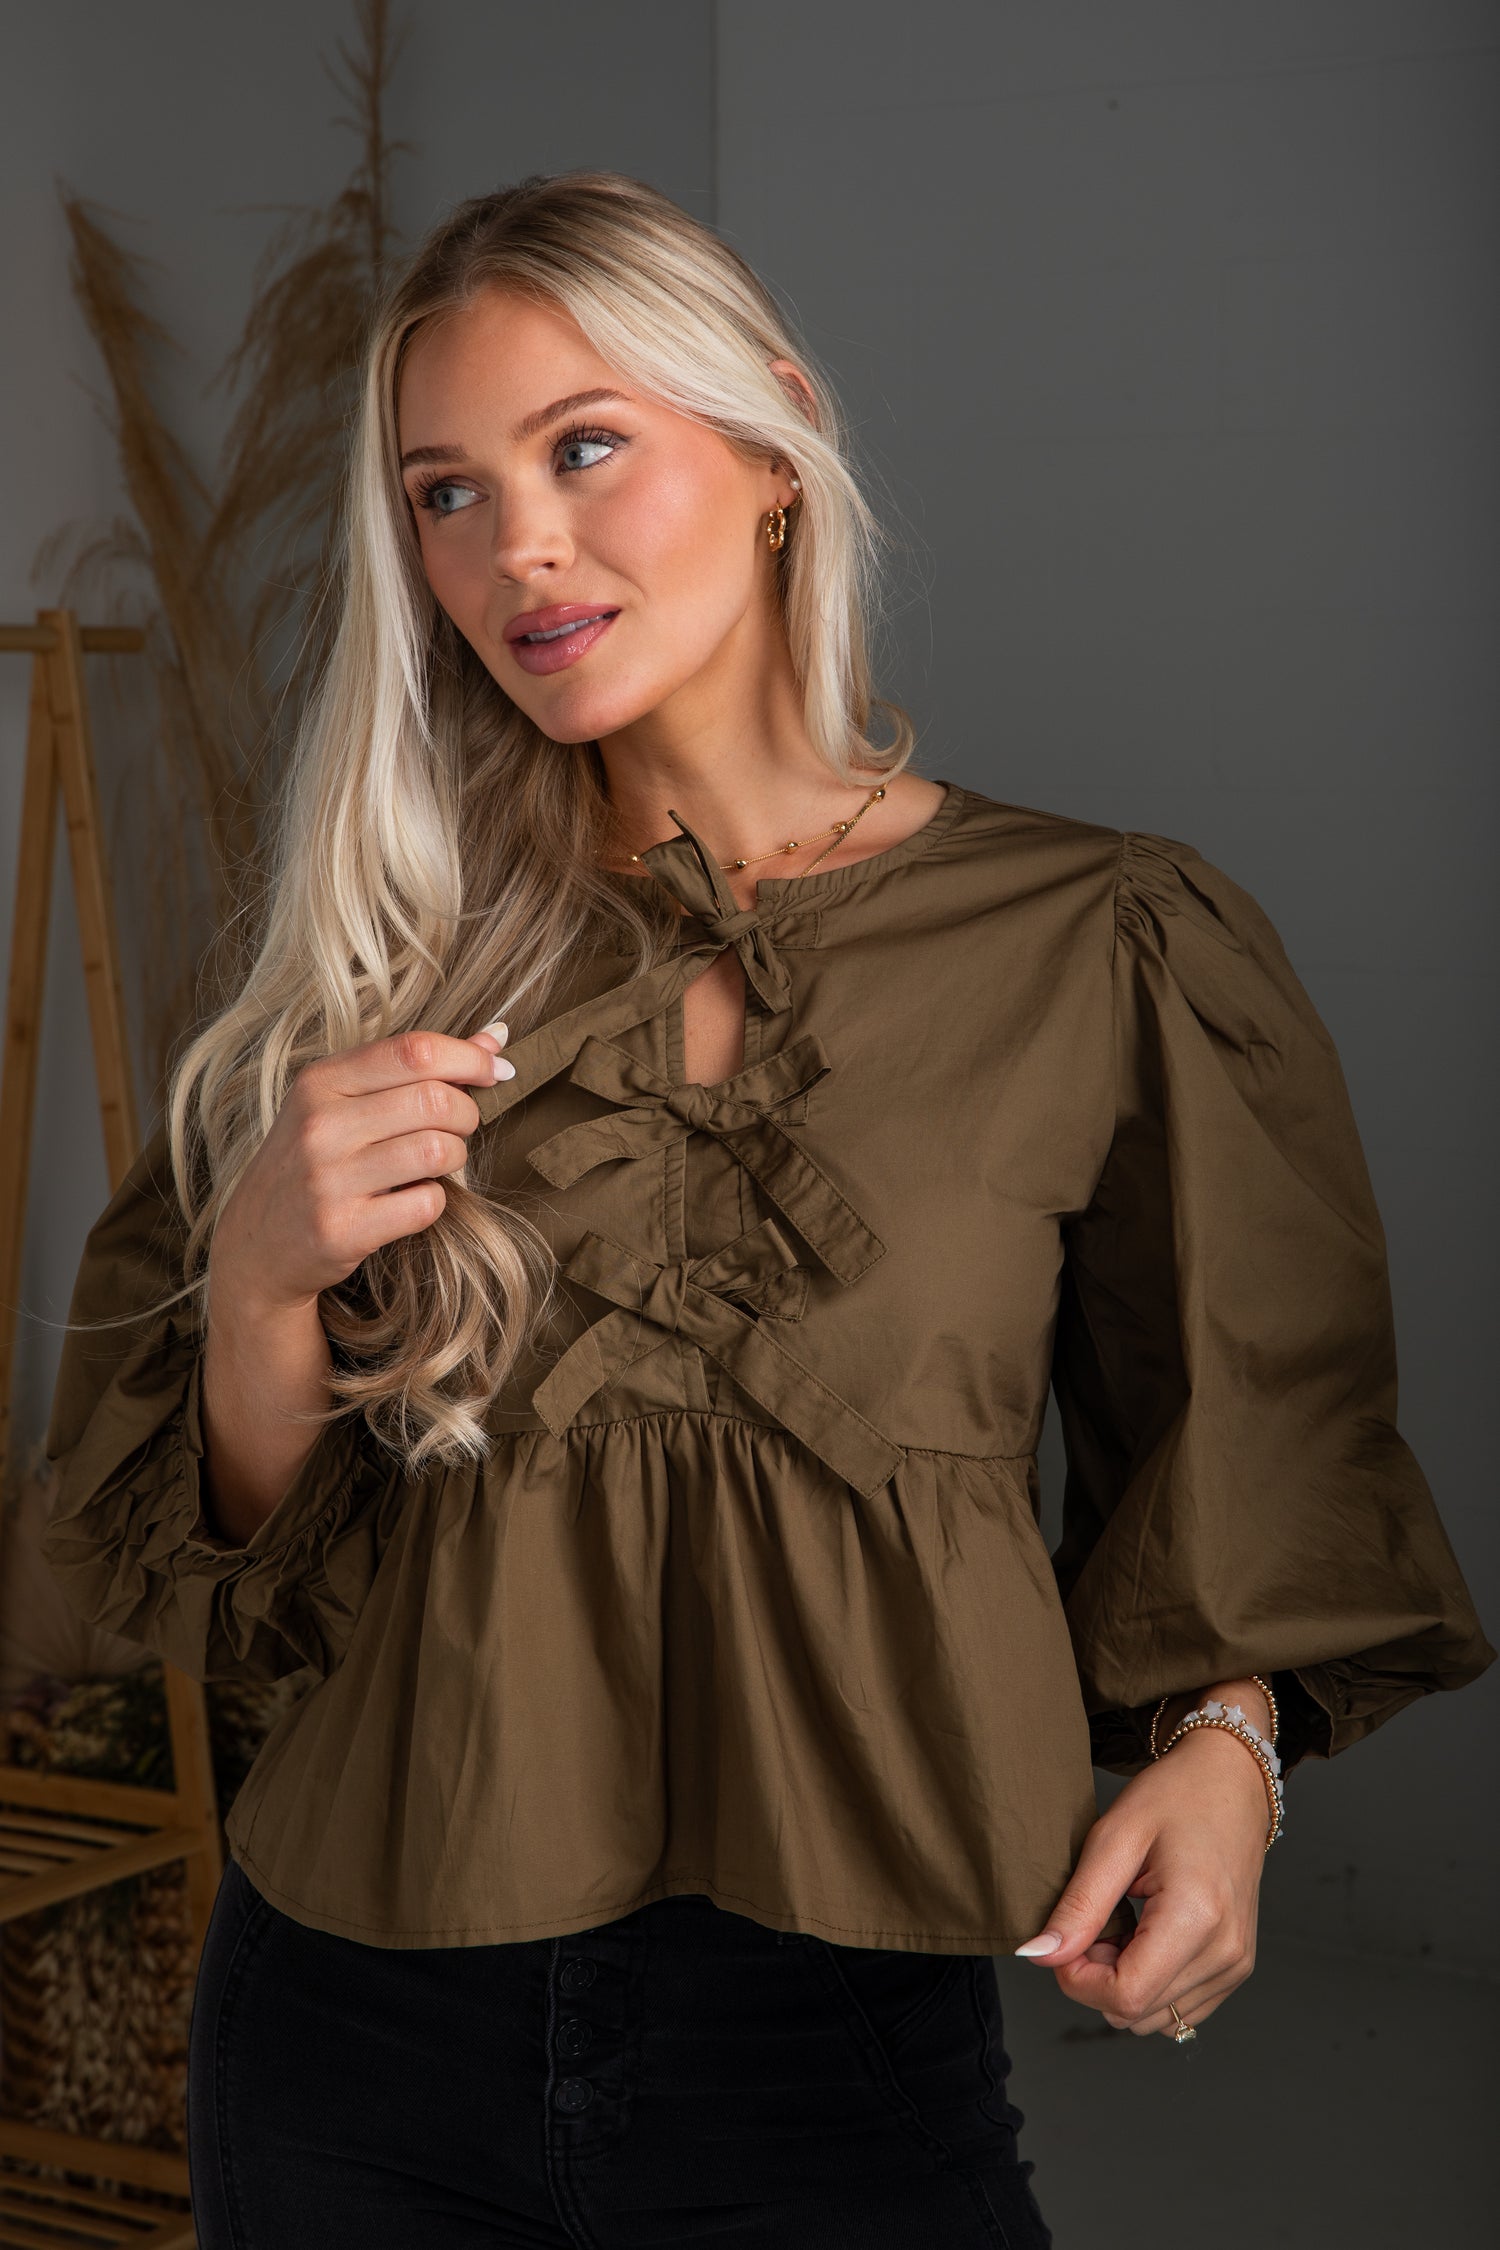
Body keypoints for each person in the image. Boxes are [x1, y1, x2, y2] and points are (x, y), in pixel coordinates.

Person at [40, 171, 1493, 2250]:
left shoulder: (1101, 940)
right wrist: (264, 1287)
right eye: (442, 493)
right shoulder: (379, 967)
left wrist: (1230, 1755)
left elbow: (1245, 1439)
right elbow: (232, 1588)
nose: (516, 546)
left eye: (585, 447)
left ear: (775, 440)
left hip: (836, 2044)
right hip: (350, 2014)